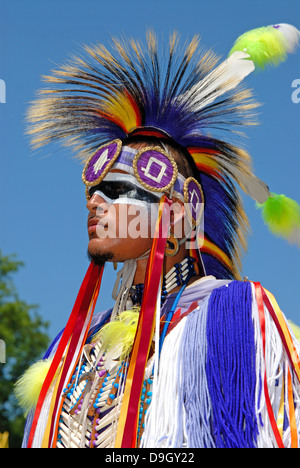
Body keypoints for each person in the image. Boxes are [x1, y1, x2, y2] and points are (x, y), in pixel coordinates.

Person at [16, 24, 300, 448]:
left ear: (178, 213)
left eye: (117, 191)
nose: (94, 202)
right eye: (94, 190)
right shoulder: (71, 349)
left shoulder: (230, 317)